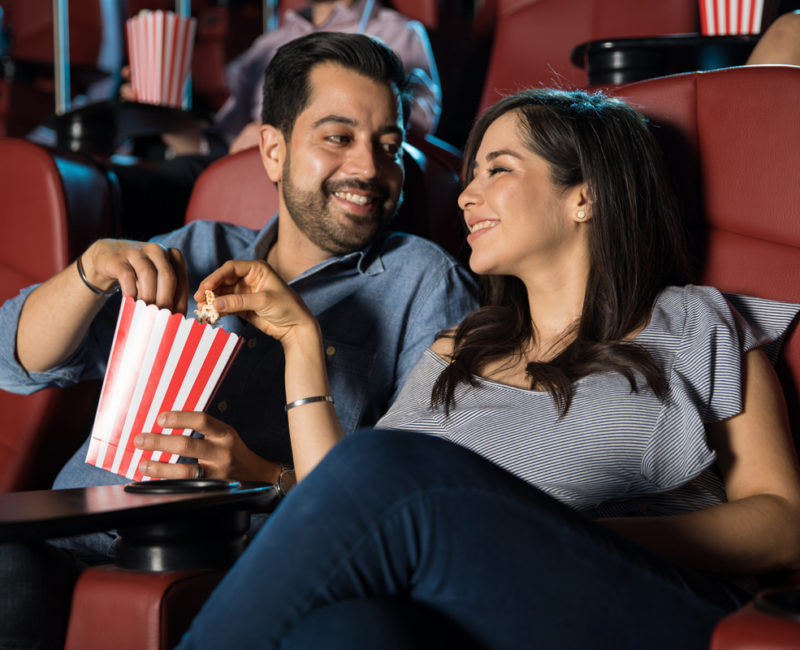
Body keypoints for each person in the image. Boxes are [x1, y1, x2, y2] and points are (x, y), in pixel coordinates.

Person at [172, 88, 800, 649]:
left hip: (653, 605)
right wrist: (300, 340)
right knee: (341, 632)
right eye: (470, 176)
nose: (467, 196)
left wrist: (562, 533)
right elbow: (348, 496)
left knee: (379, 467)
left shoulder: (691, 319)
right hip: (488, 609)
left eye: (498, 170)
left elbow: (783, 522)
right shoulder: (461, 347)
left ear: (585, 195)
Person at [0, 32, 476, 650]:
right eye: (338, 138)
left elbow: (411, 501)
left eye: (389, 147)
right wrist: (86, 273)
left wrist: (264, 476)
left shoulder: (424, 281)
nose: (368, 168)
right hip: (73, 535)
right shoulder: (200, 248)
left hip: (238, 557)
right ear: (273, 151)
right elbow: (15, 361)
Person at [115, 0, 441, 240]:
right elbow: (221, 142)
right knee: (130, 182)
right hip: (250, 156)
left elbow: (415, 124)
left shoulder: (394, 32)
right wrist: (162, 115)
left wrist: (307, 132)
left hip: (318, 156)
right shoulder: (268, 44)